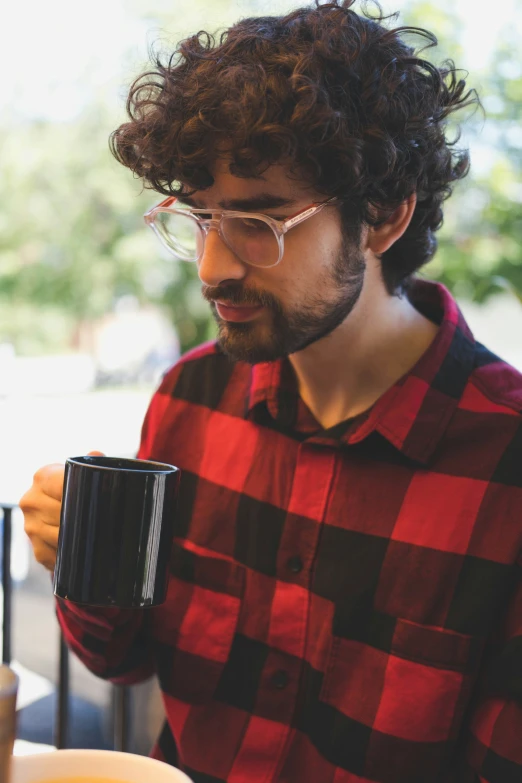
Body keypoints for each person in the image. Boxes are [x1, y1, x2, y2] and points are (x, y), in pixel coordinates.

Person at [20, 1, 522, 781]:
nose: (213, 266)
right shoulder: (191, 396)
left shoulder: (505, 463)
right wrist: (81, 561)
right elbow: (118, 659)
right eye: (200, 216)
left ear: (383, 216)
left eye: (259, 221)